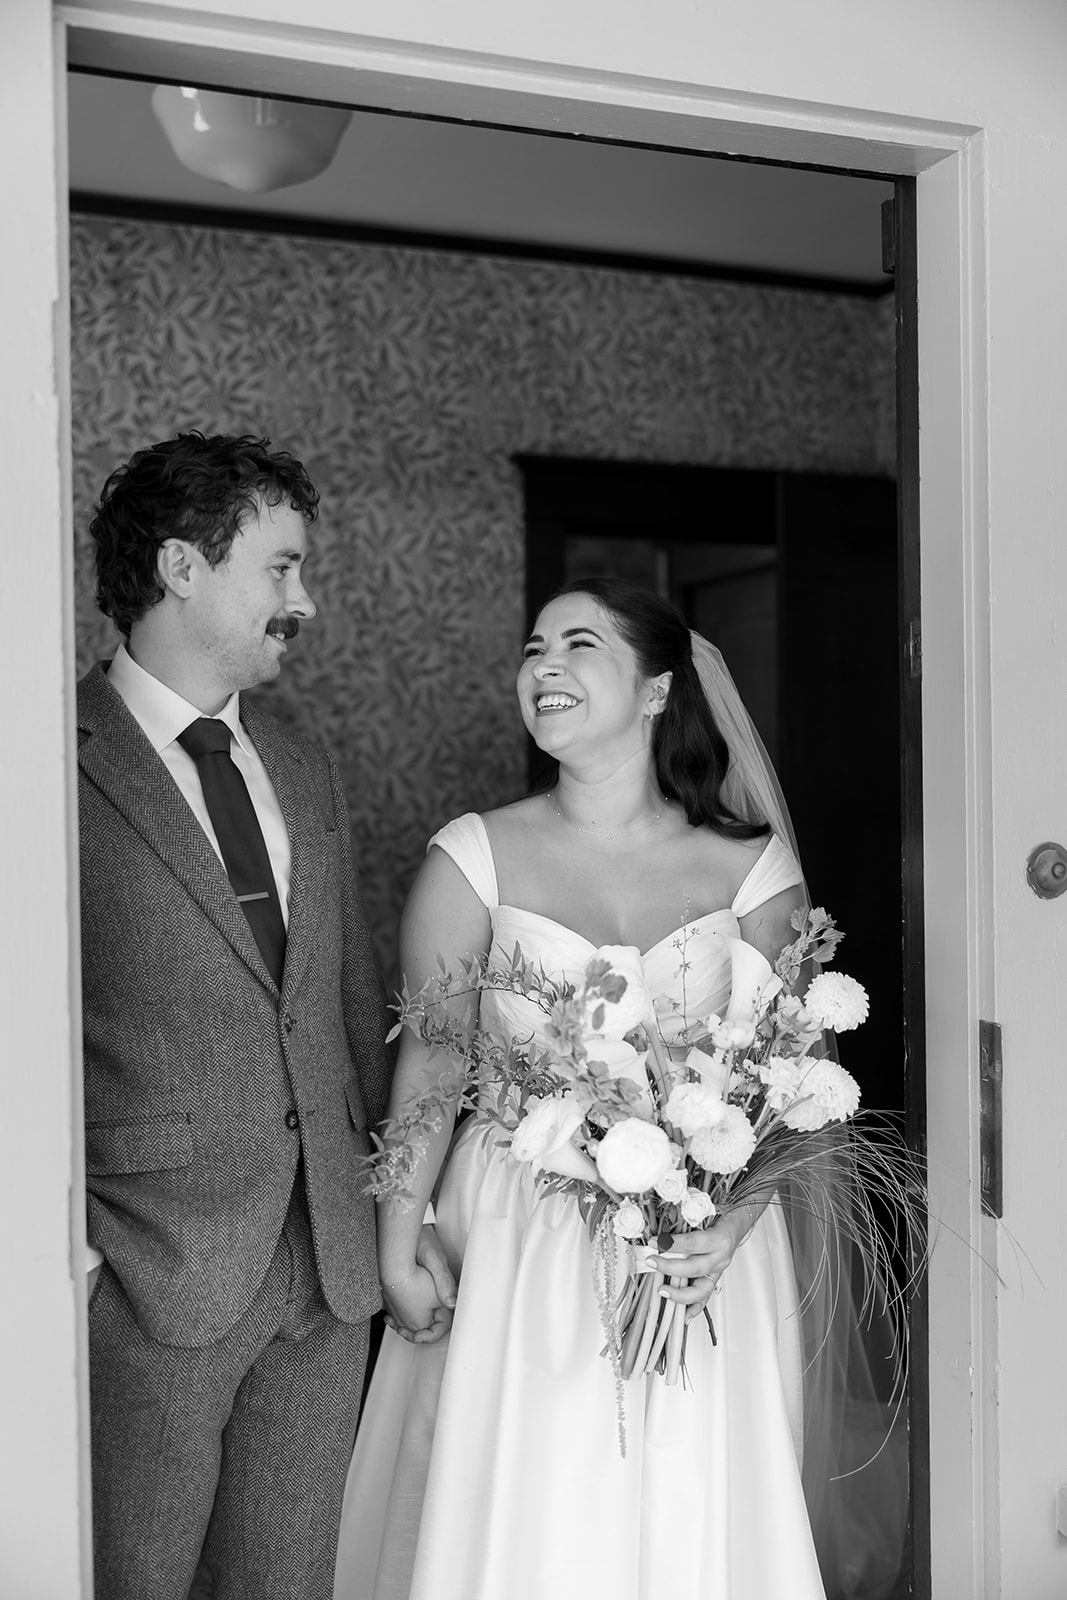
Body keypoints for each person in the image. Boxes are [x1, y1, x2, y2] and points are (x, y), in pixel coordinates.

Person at [334, 577, 869, 1600]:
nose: (542, 668)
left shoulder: (749, 870)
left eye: (577, 645)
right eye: (532, 649)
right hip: (515, 1231)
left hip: (700, 1254)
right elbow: (433, 1059)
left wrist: (730, 1219)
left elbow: (795, 1082)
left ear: (659, 688)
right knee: (530, 1505)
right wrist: (396, 1245)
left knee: (688, 1499)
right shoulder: (472, 856)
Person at [79, 432, 439, 1600]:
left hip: (327, 1270)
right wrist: (65, 1246)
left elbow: (339, 999)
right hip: (145, 1266)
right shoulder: (41, 757)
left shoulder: (298, 749)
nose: (306, 600)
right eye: (279, 569)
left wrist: (392, 1205)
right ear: (183, 567)